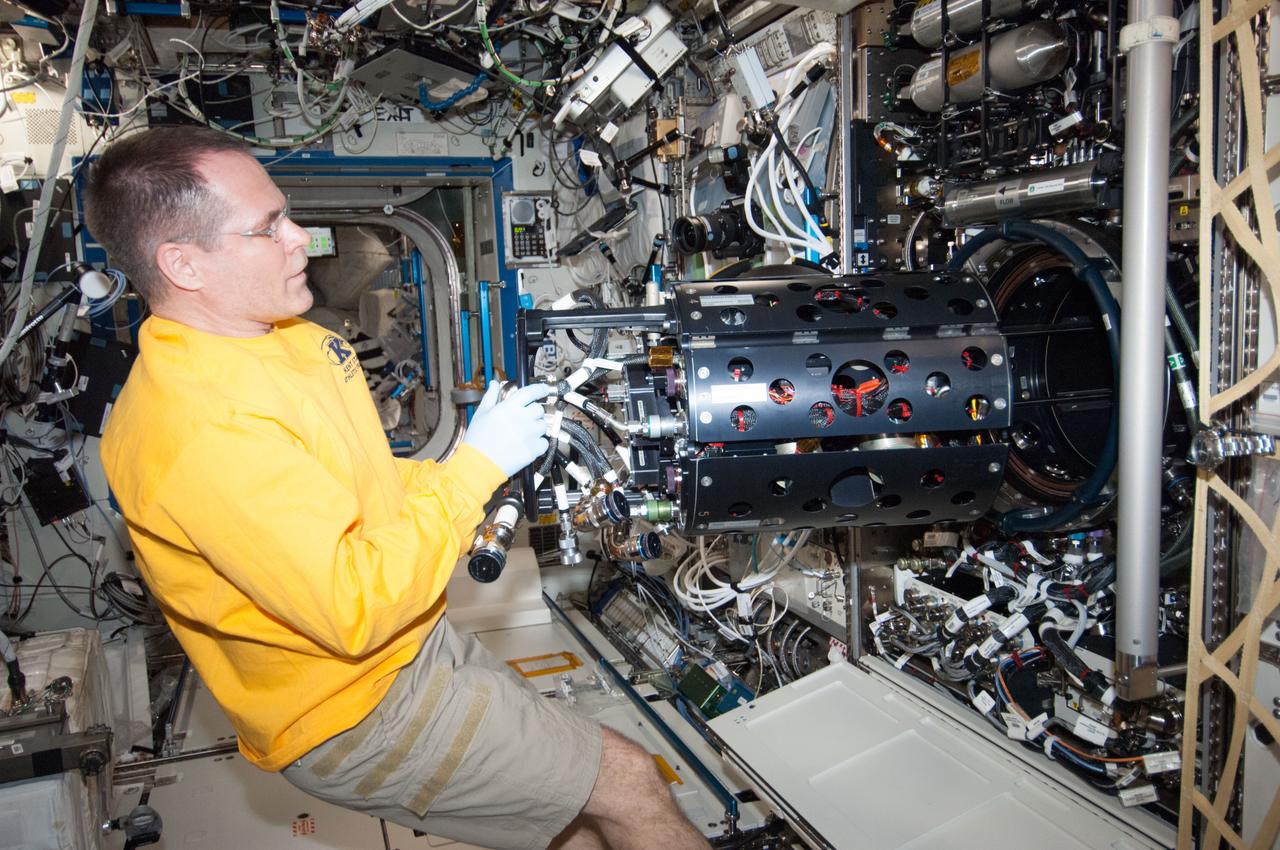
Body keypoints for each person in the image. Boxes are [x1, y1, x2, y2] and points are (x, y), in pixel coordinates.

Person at [86, 126, 709, 850]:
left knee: (572, 817)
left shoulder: (285, 338)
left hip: (411, 648)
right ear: (183, 263)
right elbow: (354, 606)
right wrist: (475, 464)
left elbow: (364, 484)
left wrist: (476, 464)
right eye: (267, 228)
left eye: (288, 213)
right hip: (351, 708)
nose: (302, 239)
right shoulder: (193, 428)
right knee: (629, 780)